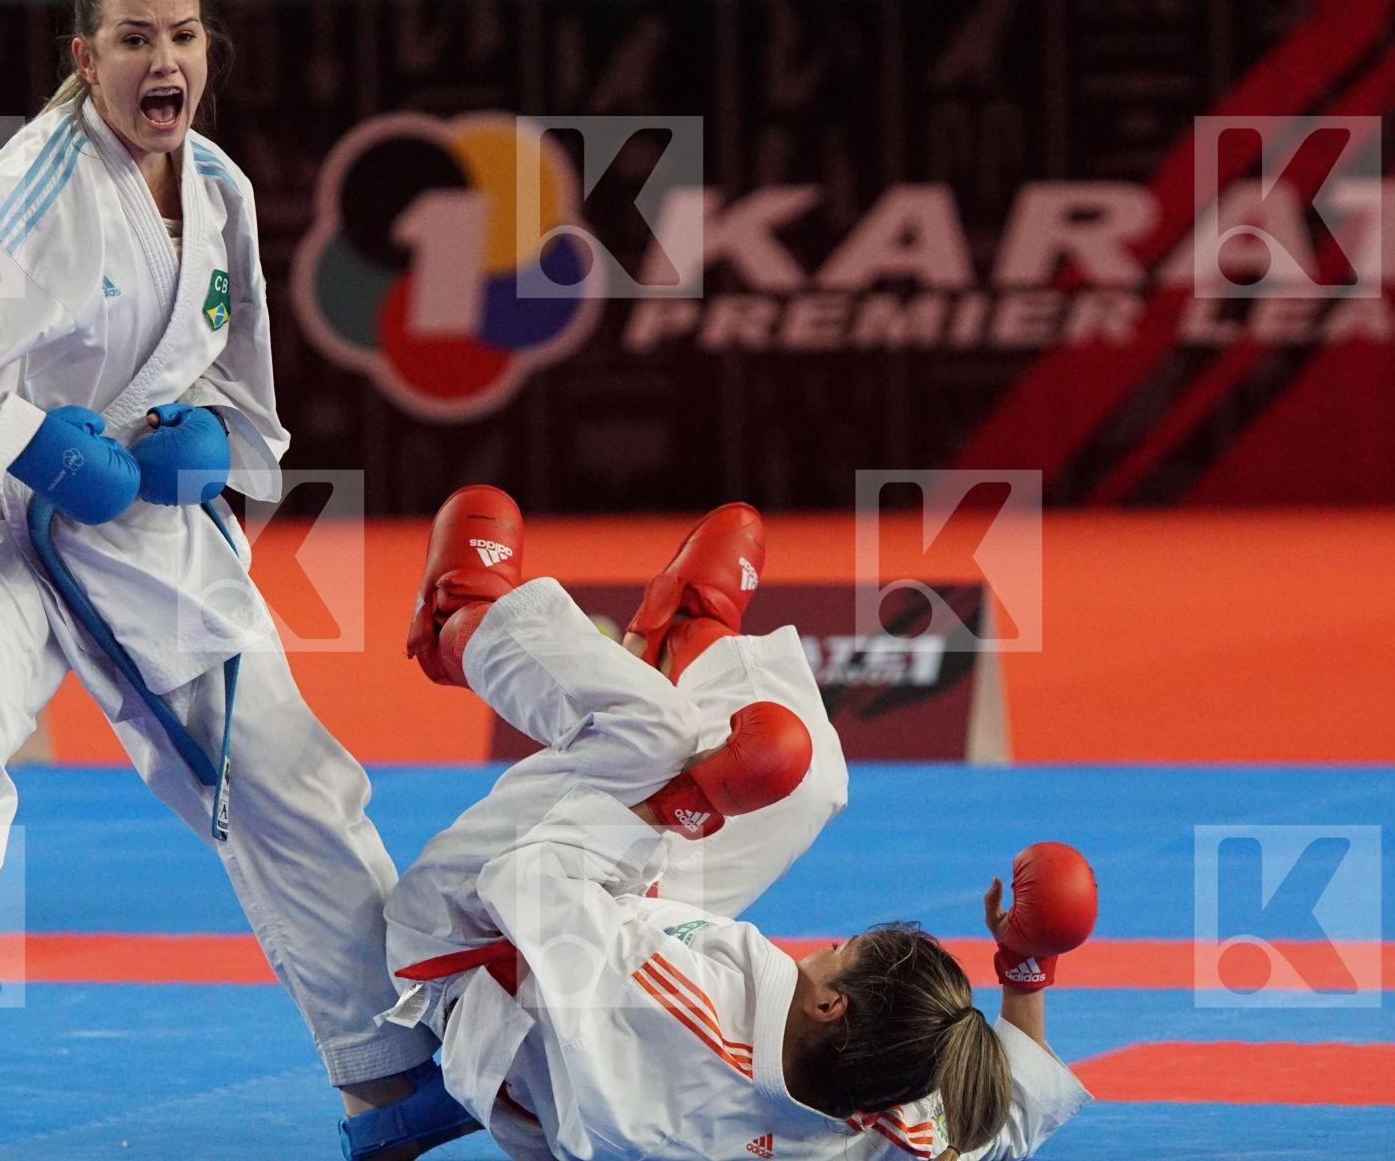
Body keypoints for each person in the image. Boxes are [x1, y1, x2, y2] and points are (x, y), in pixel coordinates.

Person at [0, 0, 467, 1160]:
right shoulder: (39, 188)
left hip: (136, 513)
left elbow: (235, 377)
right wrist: (26, 440)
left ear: (209, 50)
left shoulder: (218, 186)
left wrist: (207, 440)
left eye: (183, 35)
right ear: (85, 58)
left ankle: (393, 1077)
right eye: (133, 39)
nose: (164, 61)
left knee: (290, 778)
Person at [384, 486, 1095, 1160]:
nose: (826, 946)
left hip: (480, 944)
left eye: (841, 950)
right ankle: (691, 633)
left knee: (654, 736)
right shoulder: (882, 1099)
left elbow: (530, 878)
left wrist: (679, 805)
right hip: (599, 933)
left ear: (830, 1005)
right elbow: (1000, 1127)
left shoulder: (676, 1018)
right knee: (811, 783)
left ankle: (465, 620)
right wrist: (1025, 968)